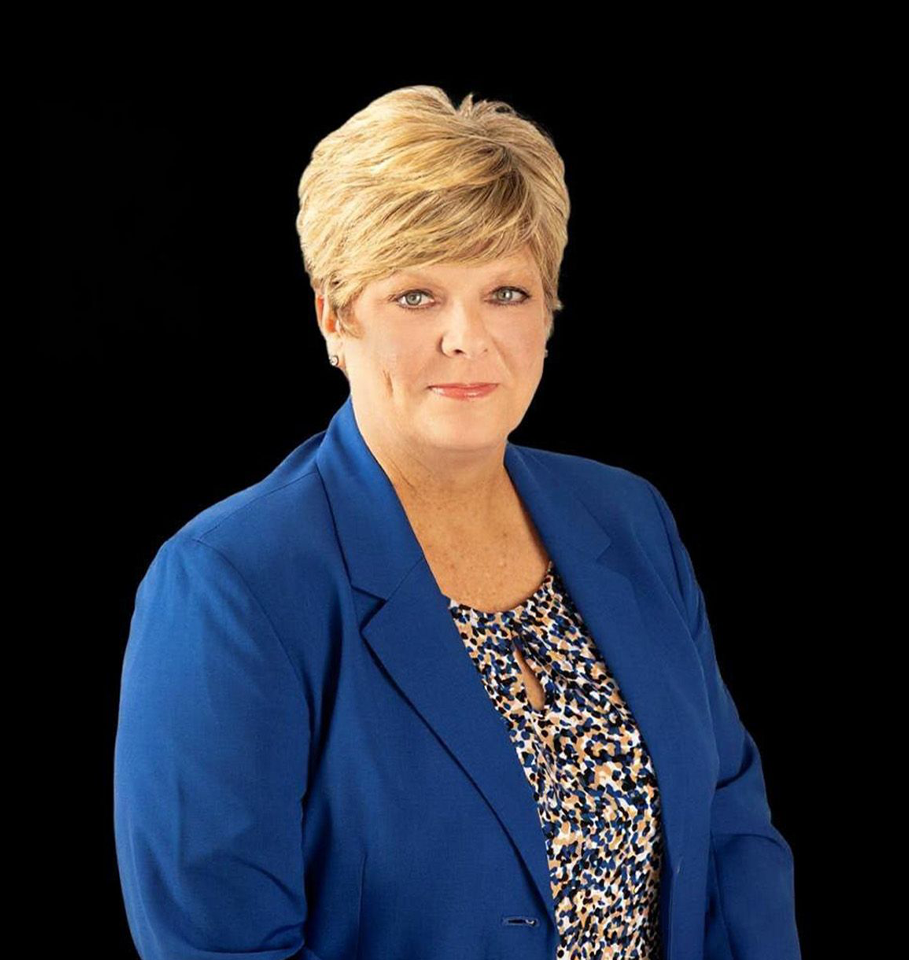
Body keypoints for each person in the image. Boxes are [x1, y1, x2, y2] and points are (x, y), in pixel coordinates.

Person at [113, 85, 801, 960]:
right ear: (334, 315)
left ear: (548, 310)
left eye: (506, 292)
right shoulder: (231, 583)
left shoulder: (627, 518)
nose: (466, 337)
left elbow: (730, 834)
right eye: (415, 296)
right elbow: (218, 946)